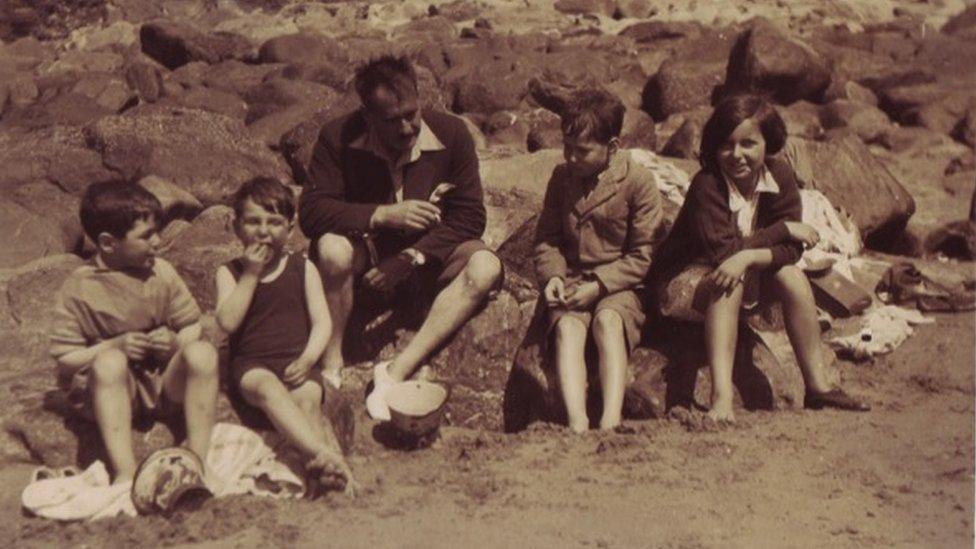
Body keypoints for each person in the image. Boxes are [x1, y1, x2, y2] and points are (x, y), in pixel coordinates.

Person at [299, 55, 503, 421]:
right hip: (367, 255)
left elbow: (470, 217)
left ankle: (394, 373)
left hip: (427, 259)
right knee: (331, 249)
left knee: (486, 265)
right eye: (393, 121)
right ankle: (332, 364)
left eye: (412, 113)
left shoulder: (453, 134)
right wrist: (381, 214)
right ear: (368, 115)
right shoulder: (337, 137)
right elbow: (312, 212)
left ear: (420, 98)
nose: (408, 128)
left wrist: (412, 258)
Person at [654, 94, 870, 423]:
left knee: (791, 275)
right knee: (729, 279)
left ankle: (818, 387)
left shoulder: (779, 175)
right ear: (714, 146)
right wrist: (782, 229)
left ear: (768, 144)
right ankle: (722, 397)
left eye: (749, 144)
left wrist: (753, 254)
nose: (737, 155)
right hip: (683, 280)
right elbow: (724, 254)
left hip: (737, 268)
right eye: (726, 144)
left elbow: (793, 251)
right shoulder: (707, 184)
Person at [49, 181, 220, 486]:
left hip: (161, 385)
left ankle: (197, 459)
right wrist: (114, 346)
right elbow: (66, 359)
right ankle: (126, 472)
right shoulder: (80, 287)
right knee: (109, 363)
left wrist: (175, 343)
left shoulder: (161, 272)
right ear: (108, 243)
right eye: (146, 236)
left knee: (203, 354)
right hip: (112, 391)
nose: (157, 242)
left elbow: (192, 325)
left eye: (157, 231)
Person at [533, 89, 663, 432]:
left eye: (582, 151)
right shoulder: (561, 179)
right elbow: (547, 239)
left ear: (613, 147)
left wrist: (600, 286)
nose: (571, 157)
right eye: (566, 147)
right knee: (567, 328)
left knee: (608, 322)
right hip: (573, 279)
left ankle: (610, 420)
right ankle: (577, 422)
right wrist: (554, 278)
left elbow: (642, 256)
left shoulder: (638, 182)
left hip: (621, 284)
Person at [214, 177, 355, 494]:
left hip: (296, 362)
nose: (263, 231)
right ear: (235, 226)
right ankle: (322, 455)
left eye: (274, 223)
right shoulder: (230, 272)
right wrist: (251, 274)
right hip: (252, 366)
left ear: (290, 229)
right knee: (267, 388)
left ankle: (320, 473)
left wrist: (308, 359)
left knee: (306, 402)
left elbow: (322, 323)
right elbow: (227, 322)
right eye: (252, 222)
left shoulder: (301, 267)